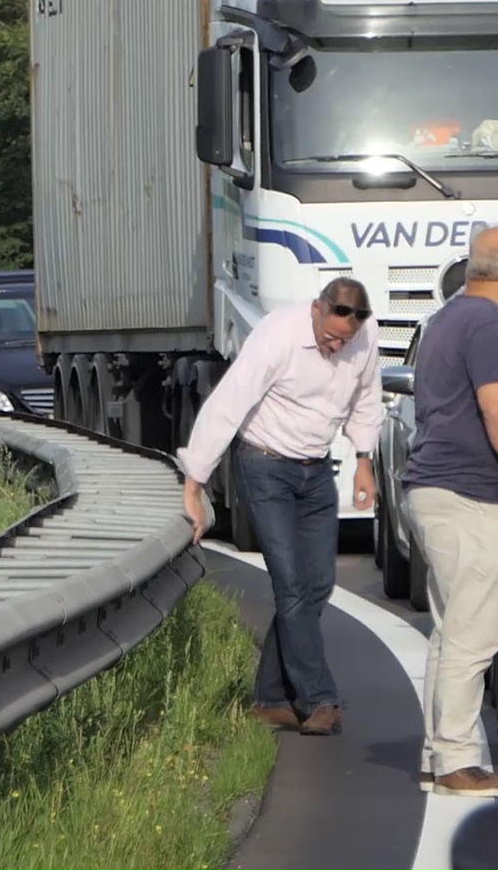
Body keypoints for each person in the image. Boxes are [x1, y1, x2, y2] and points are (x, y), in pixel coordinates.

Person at [176, 278, 384, 736]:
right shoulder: (277, 335)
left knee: (317, 585)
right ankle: (317, 699)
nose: (336, 345)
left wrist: (364, 461)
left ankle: (271, 698)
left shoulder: (363, 339)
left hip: (317, 468)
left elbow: (367, 399)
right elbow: (228, 405)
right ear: (316, 309)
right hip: (264, 463)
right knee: (290, 584)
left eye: (344, 340)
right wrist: (195, 482)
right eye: (330, 336)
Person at [402, 224, 498, 797]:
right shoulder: (490, 324)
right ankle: (457, 759)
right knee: (475, 634)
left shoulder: (447, 319)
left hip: (435, 489)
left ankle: (440, 754)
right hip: (471, 495)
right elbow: (496, 403)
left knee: (451, 630)